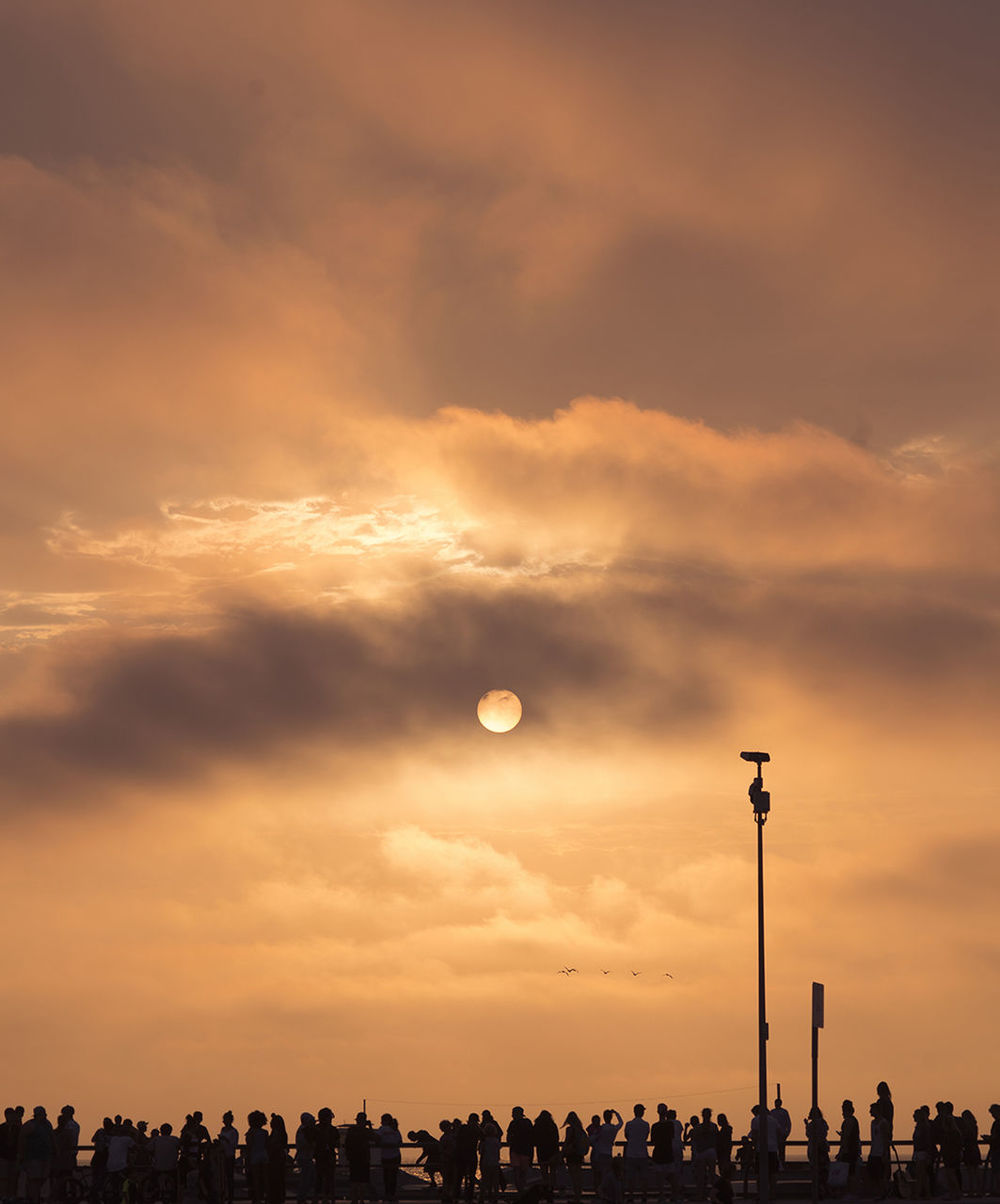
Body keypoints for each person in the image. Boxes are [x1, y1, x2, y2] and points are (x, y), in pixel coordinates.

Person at [20, 1106, 57, 1204]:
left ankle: (33, 1195)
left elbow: (52, 1137)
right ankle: (34, 1198)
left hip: (46, 1156)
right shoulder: (29, 1125)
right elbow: (22, 1140)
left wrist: (55, 1150)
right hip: (33, 1157)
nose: (44, 1116)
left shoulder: (47, 1124)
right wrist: (22, 1155)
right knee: (34, 1178)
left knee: (43, 1177)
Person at [592, 1109, 624, 1196]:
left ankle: (599, 1192)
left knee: (599, 1175)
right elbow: (621, 1123)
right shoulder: (613, 1128)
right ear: (611, 1117)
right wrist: (616, 1113)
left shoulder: (601, 1129)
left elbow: (592, 1138)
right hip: (609, 1154)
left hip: (599, 1154)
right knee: (607, 1175)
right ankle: (606, 1192)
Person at [344, 1113, 373, 1204]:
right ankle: (361, 1199)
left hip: (354, 1158)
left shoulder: (351, 1130)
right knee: (362, 1181)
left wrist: (347, 1155)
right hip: (363, 1158)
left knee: (354, 1181)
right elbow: (375, 1138)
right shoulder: (366, 1131)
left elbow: (346, 1143)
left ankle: (354, 1199)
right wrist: (370, 1126)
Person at [623, 1105, 649, 1204]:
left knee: (631, 1177)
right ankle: (644, 1195)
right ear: (642, 1112)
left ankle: (630, 1195)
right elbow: (646, 1136)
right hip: (643, 1153)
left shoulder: (629, 1124)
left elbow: (627, 1136)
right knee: (644, 1177)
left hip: (631, 1153)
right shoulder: (646, 1124)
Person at [649, 1105, 674, 1204]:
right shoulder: (670, 1125)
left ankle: (662, 1196)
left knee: (660, 1178)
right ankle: (675, 1195)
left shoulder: (655, 1126)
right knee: (672, 1176)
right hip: (668, 1153)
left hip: (658, 1153)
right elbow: (672, 1137)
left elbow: (653, 1140)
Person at [562, 1112, 589, 1204]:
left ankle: (576, 1198)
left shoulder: (570, 1129)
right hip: (579, 1155)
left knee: (574, 1177)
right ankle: (578, 1196)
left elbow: (567, 1141)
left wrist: (563, 1152)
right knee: (578, 1176)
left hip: (571, 1155)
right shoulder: (581, 1130)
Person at [533, 1110, 560, 1203]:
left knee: (544, 1173)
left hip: (542, 1151)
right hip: (552, 1151)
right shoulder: (552, 1126)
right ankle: (551, 1190)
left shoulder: (537, 1126)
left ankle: (545, 1191)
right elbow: (557, 1138)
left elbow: (534, 1138)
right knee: (552, 1173)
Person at [506, 1108, 534, 1194]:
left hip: (515, 1150)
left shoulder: (513, 1123)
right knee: (523, 1172)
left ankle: (519, 1189)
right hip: (526, 1150)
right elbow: (532, 1135)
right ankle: (522, 1188)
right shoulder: (528, 1122)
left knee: (517, 1171)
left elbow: (508, 1136)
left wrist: (510, 1143)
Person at [692, 1110, 718, 1202]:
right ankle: (714, 1195)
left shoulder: (698, 1128)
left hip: (702, 1152)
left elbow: (694, 1141)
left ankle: (700, 1195)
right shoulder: (714, 1127)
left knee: (701, 1176)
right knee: (712, 1174)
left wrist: (695, 1153)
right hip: (711, 1151)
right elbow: (716, 1140)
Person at [835, 1100, 861, 1192]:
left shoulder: (848, 1122)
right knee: (851, 1173)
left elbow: (845, 1139)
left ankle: (849, 1191)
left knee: (848, 1174)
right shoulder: (854, 1121)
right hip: (853, 1151)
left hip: (848, 1152)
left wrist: (840, 1152)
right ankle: (851, 1191)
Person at [153, 1122, 182, 1204]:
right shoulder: (175, 1139)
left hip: (158, 1168)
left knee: (153, 1181)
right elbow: (182, 1147)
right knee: (176, 1185)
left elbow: (148, 1149)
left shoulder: (156, 1139)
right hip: (172, 1168)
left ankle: (155, 1192)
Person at [315, 1109, 339, 1204]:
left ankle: (324, 1196)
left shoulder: (318, 1128)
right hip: (324, 1155)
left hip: (325, 1155)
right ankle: (326, 1197)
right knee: (324, 1177)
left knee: (326, 1177)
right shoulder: (328, 1129)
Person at [804, 1108, 829, 1198]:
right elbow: (825, 1133)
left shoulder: (812, 1124)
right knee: (823, 1171)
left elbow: (808, 1134)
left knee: (816, 1172)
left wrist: (806, 1125)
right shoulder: (823, 1123)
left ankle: (818, 1191)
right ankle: (823, 1190)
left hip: (815, 1149)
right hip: (823, 1149)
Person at [378, 1115, 402, 1204]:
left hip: (387, 1156)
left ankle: (388, 1194)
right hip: (394, 1155)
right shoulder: (395, 1130)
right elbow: (400, 1141)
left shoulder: (383, 1129)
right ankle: (391, 1194)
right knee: (392, 1176)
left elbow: (377, 1138)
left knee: (387, 1176)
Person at [480, 1112, 503, 1204]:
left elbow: (481, 1151)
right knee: (495, 1182)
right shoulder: (496, 1141)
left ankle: (482, 1197)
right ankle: (495, 1197)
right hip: (495, 1163)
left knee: (485, 1180)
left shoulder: (484, 1141)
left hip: (485, 1162)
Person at [296, 1113, 317, 1204]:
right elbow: (304, 1144)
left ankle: (303, 1197)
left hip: (306, 1157)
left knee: (309, 1178)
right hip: (305, 1157)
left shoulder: (304, 1130)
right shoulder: (303, 1130)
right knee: (306, 1179)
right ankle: (301, 1197)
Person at [267, 1114, 288, 1204]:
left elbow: (274, 1145)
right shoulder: (282, 1133)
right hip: (279, 1159)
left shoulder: (276, 1133)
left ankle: (275, 1197)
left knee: (275, 1179)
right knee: (279, 1179)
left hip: (275, 1159)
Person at [219, 1112, 239, 1204]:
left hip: (229, 1155)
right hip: (222, 1156)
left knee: (229, 1177)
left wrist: (226, 1140)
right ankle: (223, 1196)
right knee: (222, 1178)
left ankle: (230, 1196)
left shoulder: (234, 1131)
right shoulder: (223, 1129)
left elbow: (234, 1144)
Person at [771, 1098, 791, 1172]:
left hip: (782, 1134)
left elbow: (788, 1123)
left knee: (781, 1151)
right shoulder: (772, 1112)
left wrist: (787, 1133)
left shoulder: (784, 1112)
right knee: (774, 1151)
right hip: (774, 1134)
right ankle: (775, 1165)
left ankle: (782, 1165)